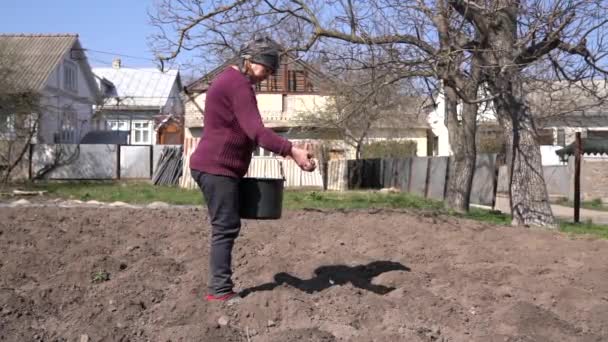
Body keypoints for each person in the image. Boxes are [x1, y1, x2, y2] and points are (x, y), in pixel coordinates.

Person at [190, 36, 316, 302]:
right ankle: (220, 291)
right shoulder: (237, 85)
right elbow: (257, 131)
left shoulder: (232, 81)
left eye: (271, 71)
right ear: (250, 59)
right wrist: (291, 150)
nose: (267, 76)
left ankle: (220, 287)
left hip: (218, 167)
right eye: (266, 69)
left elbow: (246, 131)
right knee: (225, 226)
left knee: (227, 224)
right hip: (216, 167)